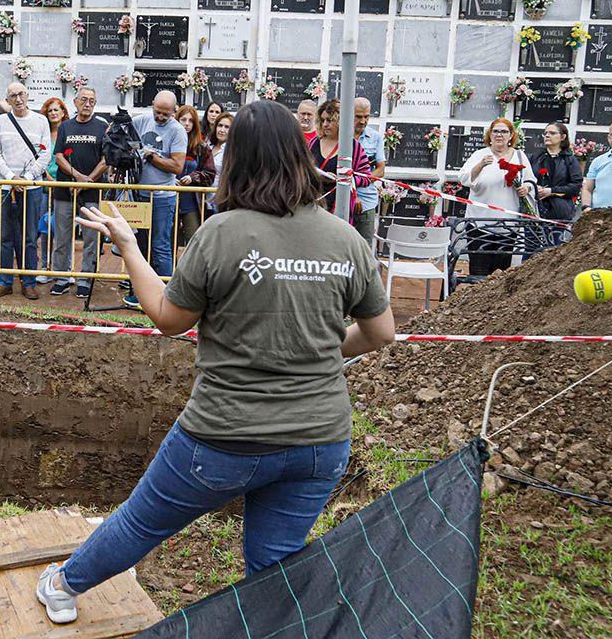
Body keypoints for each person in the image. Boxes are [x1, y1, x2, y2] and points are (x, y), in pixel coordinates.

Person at [34, 100, 395, 625]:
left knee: (141, 523)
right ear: (300, 155)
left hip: (224, 435)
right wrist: (312, 347)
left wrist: (130, 248)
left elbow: (166, 317)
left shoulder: (222, 233)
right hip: (319, 441)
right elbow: (381, 333)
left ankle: (63, 586)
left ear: (237, 160)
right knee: (274, 567)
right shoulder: (345, 238)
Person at [124, 91, 186, 309]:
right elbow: (126, 138)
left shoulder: (178, 131)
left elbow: (177, 167)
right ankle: (142, 294)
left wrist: (150, 156)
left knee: (160, 246)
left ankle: (167, 297)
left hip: (162, 195)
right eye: (157, 112)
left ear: (174, 111)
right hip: (140, 193)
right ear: (152, 105)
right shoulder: (141, 120)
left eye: (165, 114)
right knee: (140, 245)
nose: (160, 117)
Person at [0, 81, 51, 300]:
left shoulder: (41, 121)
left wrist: (26, 178)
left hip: (31, 187)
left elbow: (45, 155)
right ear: (7, 100)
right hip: (5, 187)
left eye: (21, 94)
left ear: (28, 95)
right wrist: (10, 177)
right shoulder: (0, 122)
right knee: (5, 236)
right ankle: (4, 281)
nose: (18, 99)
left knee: (29, 237)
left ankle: (28, 281)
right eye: (13, 95)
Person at [49, 87, 108, 298]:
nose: (88, 104)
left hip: (91, 192)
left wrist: (89, 180)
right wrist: (77, 176)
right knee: (63, 236)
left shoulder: (103, 127)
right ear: (75, 102)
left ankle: (86, 279)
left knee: (91, 238)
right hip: (66, 191)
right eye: (84, 100)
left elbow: (106, 159)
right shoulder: (66, 126)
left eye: (92, 100)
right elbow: (59, 156)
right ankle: (62, 278)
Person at [459, 117, 536, 277]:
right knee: (479, 269)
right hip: (480, 223)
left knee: (501, 271)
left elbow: (531, 180)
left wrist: (526, 188)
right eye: (496, 131)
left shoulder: (519, 156)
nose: (499, 135)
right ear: (490, 134)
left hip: (508, 225)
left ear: (511, 135)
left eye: (504, 131)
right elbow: (464, 178)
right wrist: (480, 165)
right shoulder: (480, 154)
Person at [307, 100, 371, 223]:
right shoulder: (313, 144)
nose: (325, 124)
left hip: (339, 209)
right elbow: (302, 170)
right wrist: (316, 175)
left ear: (341, 122)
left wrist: (344, 178)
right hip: (313, 205)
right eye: (323, 120)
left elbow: (366, 177)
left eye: (330, 120)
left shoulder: (353, 146)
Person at [36, 98, 69, 284]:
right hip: (45, 185)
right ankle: (45, 267)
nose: (53, 113)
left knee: (65, 230)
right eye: (50, 111)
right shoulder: (43, 133)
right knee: (45, 228)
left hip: (64, 185)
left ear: (63, 112)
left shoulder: (69, 131)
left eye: (57, 110)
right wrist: (47, 177)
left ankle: (65, 268)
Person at [530, 122, 582, 241]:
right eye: (545, 133)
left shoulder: (570, 160)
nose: (547, 135)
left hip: (558, 212)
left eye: (552, 133)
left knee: (553, 250)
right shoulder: (536, 157)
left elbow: (575, 187)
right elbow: (527, 178)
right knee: (531, 249)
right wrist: (533, 187)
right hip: (535, 210)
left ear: (563, 137)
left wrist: (551, 191)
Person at [175, 105, 215, 246]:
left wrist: (193, 177)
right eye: (183, 119)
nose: (187, 124)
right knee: (168, 241)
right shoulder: (168, 142)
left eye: (191, 121)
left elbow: (210, 174)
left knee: (195, 241)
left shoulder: (201, 147)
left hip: (191, 202)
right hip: (168, 200)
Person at [352, 98, 385, 248]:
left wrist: (361, 182)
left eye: (366, 116)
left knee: (364, 246)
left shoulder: (375, 137)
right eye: (358, 116)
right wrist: (352, 193)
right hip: (341, 199)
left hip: (366, 201)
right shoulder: (338, 136)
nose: (363, 121)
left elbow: (380, 170)